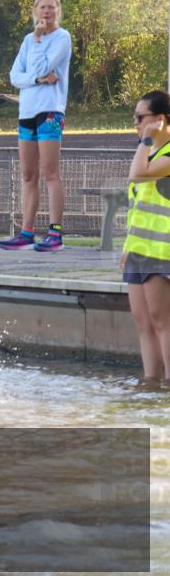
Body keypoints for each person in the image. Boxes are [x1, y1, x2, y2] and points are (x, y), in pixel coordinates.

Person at [0, 0, 72, 252]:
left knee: (50, 172)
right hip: (27, 112)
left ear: (57, 10)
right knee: (28, 174)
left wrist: (40, 42)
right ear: (35, 10)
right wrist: (38, 80)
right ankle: (26, 232)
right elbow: (15, 76)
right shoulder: (27, 40)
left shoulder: (62, 38)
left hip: (50, 110)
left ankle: (55, 232)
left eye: (52, 7)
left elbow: (42, 66)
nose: (47, 12)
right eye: (43, 7)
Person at [122, 89, 170, 386]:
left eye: (141, 118)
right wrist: (127, 247)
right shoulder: (149, 151)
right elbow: (137, 207)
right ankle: (150, 384)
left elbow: (139, 174)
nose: (137, 124)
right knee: (143, 323)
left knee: (163, 322)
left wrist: (147, 139)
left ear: (161, 119)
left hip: (162, 251)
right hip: (139, 250)